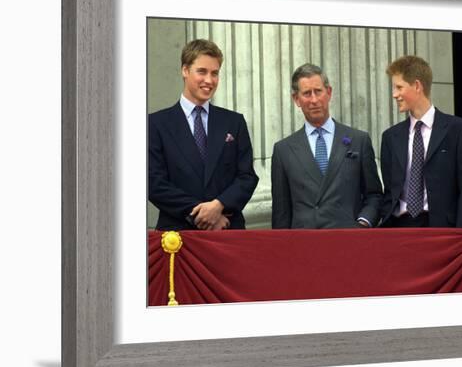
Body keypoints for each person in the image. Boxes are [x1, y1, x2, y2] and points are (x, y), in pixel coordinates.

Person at [148, 39, 258, 231]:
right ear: (185, 70)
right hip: (179, 235)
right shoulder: (155, 124)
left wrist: (219, 206)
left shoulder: (234, 122)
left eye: (214, 73)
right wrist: (203, 215)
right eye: (202, 71)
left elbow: (247, 176)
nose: (209, 80)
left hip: (228, 231)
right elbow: (154, 183)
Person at [271, 63, 383, 229]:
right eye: (307, 94)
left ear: (328, 92)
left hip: (349, 242)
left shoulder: (359, 140)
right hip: (305, 245)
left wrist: (363, 224)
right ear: (296, 99)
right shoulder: (283, 150)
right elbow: (281, 213)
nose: (314, 100)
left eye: (318, 91)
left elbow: (374, 195)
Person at [380, 55, 462, 228]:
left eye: (399, 87)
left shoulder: (458, 130)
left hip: (443, 230)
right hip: (399, 230)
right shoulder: (390, 137)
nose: (394, 94)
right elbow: (389, 193)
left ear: (417, 86)